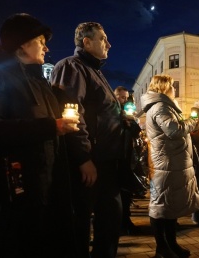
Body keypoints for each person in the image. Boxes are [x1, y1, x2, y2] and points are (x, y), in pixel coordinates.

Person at [0, 13, 79, 258]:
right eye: (40, 40)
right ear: (22, 44)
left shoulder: (32, 76)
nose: (46, 47)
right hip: (11, 194)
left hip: (38, 190)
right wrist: (52, 127)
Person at [51, 21, 124, 257]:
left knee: (111, 218)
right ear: (87, 42)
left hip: (105, 159)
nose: (109, 44)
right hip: (90, 162)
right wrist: (83, 158)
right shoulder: (72, 67)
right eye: (103, 38)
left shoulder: (94, 70)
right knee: (79, 223)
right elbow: (72, 114)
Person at [141, 75, 199, 258]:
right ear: (164, 88)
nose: (175, 89)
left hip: (173, 163)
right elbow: (174, 130)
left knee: (170, 205)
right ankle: (161, 248)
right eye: (172, 86)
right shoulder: (160, 107)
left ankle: (171, 244)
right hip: (165, 164)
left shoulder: (165, 106)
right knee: (160, 206)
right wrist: (193, 122)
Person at [114, 86, 143, 235]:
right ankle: (119, 222)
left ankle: (126, 221)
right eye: (122, 97)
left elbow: (137, 132)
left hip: (128, 157)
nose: (124, 100)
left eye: (126, 98)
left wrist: (131, 121)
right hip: (116, 157)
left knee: (127, 193)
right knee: (118, 193)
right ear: (115, 96)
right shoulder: (113, 112)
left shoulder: (127, 114)